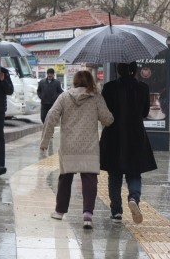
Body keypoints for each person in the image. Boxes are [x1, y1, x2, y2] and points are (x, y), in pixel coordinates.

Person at [40, 70, 113, 229]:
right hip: (89, 146)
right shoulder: (96, 98)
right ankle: (87, 214)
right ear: (90, 82)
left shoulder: (64, 97)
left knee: (65, 178)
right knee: (90, 179)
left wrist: (45, 141)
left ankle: (59, 211)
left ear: (74, 81)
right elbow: (108, 119)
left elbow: (51, 116)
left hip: (69, 146)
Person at [100, 62, 158, 224]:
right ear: (135, 70)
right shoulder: (143, 88)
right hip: (136, 135)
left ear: (118, 70)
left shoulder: (109, 87)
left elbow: (104, 112)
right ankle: (133, 197)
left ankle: (116, 212)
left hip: (113, 135)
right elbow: (145, 112)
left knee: (114, 175)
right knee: (134, 173)